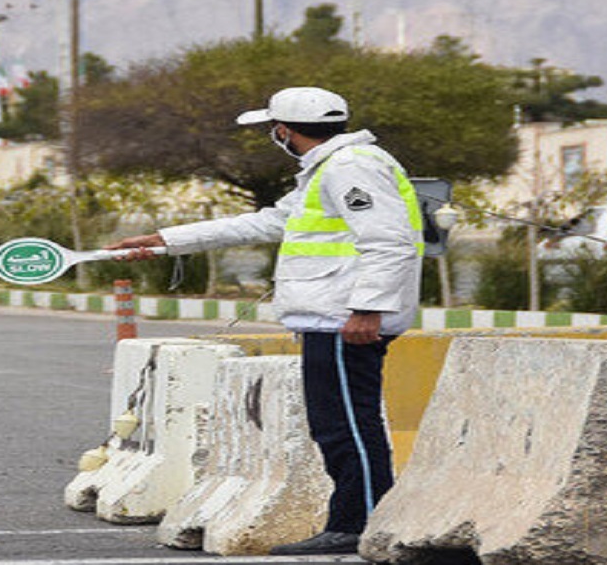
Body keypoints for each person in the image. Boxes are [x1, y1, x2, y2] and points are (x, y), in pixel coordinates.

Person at [107, 86, 423, 556]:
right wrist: (165, 240)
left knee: (348, 425)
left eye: (271, 129)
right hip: (330, 315)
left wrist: (367, 309)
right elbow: (264, 223)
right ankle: (355, 518)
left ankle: (359, 522)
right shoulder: (326, 171)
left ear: (283, 130)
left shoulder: (351, 167)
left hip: (343, 317)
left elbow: (388, 240)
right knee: (335, 422)